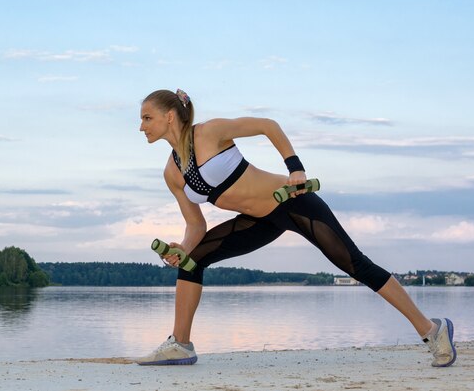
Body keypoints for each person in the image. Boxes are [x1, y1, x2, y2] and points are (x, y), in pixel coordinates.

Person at [135, 88, 457, 367]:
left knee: (354, 264)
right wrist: (183, 248)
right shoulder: (172, 173)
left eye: (147, 118)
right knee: (195, 260)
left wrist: (295, 167)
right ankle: (180, 343)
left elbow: (267, 125)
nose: (141, 126)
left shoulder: (209, 132)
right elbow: (196, 224)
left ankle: (431, 330)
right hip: (256, 221)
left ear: (169, 116)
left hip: (291, 201)